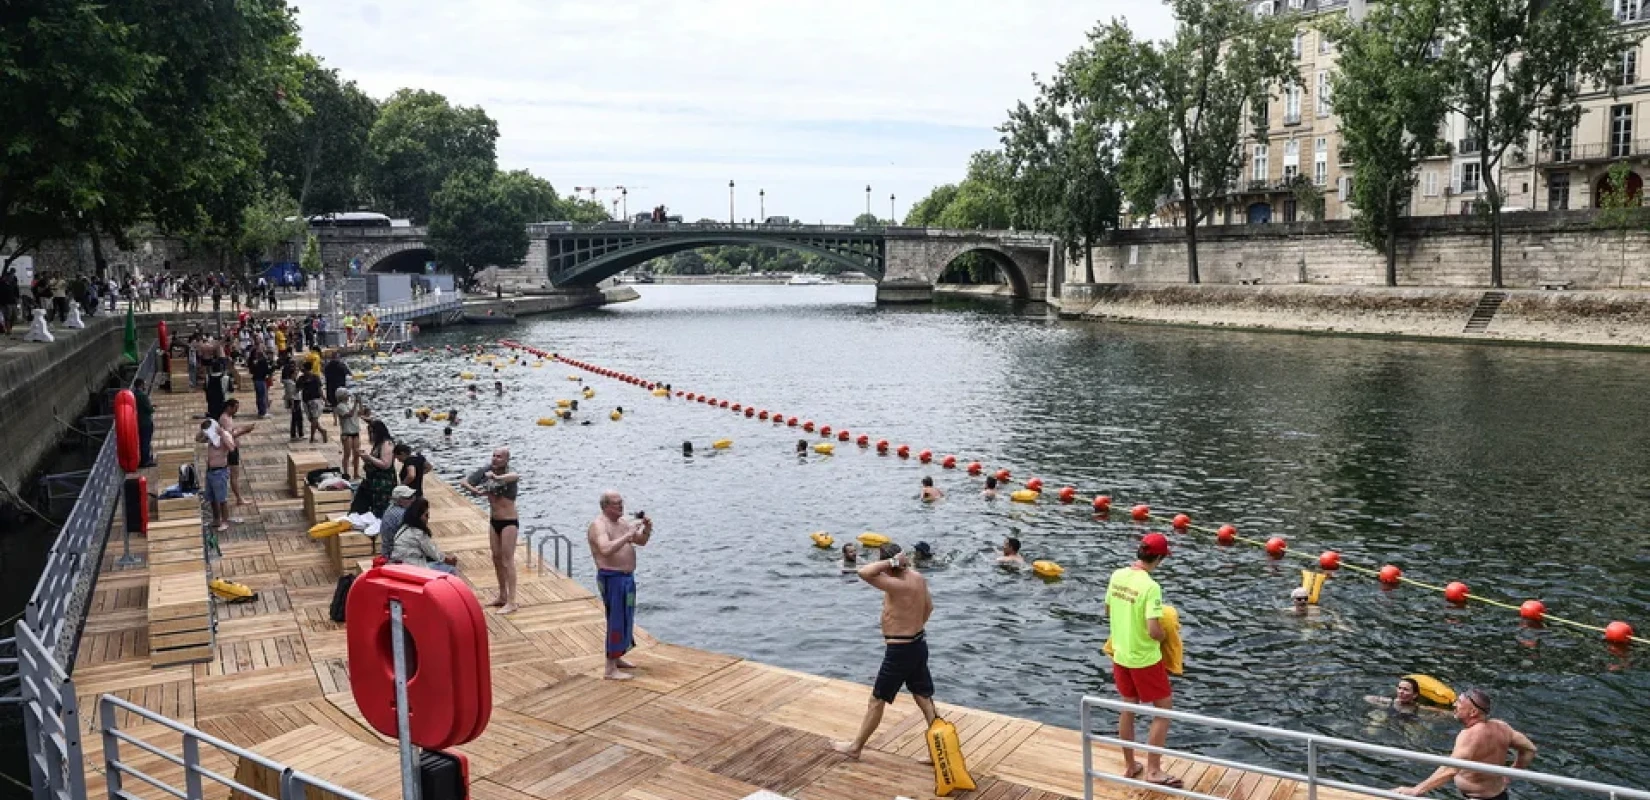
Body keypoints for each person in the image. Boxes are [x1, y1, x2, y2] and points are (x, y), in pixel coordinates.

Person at [833, 543, 938, 760]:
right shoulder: (918, 578)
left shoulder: (896, 584)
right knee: (924, 698)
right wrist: (914, 626)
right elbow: (929, 607)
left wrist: (892, 562)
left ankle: (855, 747)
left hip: (900, 650)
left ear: (889, 565)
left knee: (877, 700)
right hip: (918, 645)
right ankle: (939, 751)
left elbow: (863, 572)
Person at [1103, 532, 1181, 789]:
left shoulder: (1117, 575)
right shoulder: (1151, 586)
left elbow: (1108, 610)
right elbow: (1153, 630)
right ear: (1158, 558)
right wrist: (1165, 636)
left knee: (1129, 707)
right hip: (1145, 658)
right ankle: (1154, 771)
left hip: (1121, 654)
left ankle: (1131, 765)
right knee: (1163, 711)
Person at [1394, 688, 1536, 799]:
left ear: (1473, 712)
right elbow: (1530, 749)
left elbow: (1451, 770)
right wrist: (1509, 774)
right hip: (1499, 796)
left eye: (1459, 703)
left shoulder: (1469, 735)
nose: (1454, 705)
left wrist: (1416, 790)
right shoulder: (1502, 726)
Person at [586, 490, 653, 680]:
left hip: (627, 577)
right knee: (615, 619)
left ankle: (618, 655)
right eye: (616, 503)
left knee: (626, 618)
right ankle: (609, 668)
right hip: (611, 577)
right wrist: (628, 534)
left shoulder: (622, 523)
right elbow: (605, 549)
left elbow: (641, 541)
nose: (621, 506)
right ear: (606, 506)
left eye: (621, 502)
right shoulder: (598, 525)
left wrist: (646, 529)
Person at [461, 448, 521, 614]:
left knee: (508, 560)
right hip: (494, 521)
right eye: (494, 456)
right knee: (495, 557)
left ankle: (512, 601)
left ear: (506, 460)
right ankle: (502, 595)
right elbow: (464, 481)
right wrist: (472, 490)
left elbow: (515, 476)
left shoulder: (509, 474)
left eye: (499, 456)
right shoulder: (486, 470)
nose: (495, 459)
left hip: (509, 522)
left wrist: (496, 477)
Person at [388, 498, 459, 574]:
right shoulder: (418, 533)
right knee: (451, 569)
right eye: (426, 515)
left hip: (399, 563)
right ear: (418, 516)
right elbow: (433, 552)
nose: (428, 518)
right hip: (412, 567)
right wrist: (449, 560)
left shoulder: (404, 527)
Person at [196, 420, 236, 533]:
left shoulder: (224, 437)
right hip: (210, 471)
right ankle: (216, 519)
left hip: (220, 472)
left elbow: (232, 448)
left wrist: (222, 434)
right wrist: (203, 431)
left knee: (222, 499)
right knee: (212, 498)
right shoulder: (210, 437)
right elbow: (197, 439)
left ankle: (225, 521)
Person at [354, 419, 398, 517]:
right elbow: (374, 462)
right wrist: (365, 457)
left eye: (372, 432)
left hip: (383, 482)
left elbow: (386, 464)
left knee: (382, 507)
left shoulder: (387, 444)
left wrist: (369, 457)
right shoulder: (378, 444)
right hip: (373, 481)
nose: (371, 435)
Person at [217, 398, 255, 509]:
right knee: (234, 475)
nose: (236, 411)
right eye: (235, 408)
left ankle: (237, 497)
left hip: (232, 448)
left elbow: (232, 430)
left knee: (233, 474)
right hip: (230, 450)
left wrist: (243, 428)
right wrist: (245, 431)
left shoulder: (228, 417)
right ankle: (238, 498)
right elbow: (229, 435)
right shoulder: (224, 418)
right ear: (229, 407)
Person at [378, 485, 416, 558]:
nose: (413, 500)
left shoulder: (391, 508)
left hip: (388, 551)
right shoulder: (403, 515)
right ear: (400, 500)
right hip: (396, 556)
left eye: (413, 496)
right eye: (409, 497)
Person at [333, 387, 362, 479]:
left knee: (357, 454)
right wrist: (355, 404)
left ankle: (356, 473)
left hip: (355, 431)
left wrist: (360, 403)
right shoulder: (340, 407)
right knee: (347, 454)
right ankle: (346, 473)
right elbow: (349, 414)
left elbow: (360, 413)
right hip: (347, 433)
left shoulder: (350, 404)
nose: (348, 396)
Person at [299, 363, 327, 443]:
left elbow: (319, 389)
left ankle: (312, 437)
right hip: (306, 400)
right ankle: (322, 431)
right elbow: (298, 388)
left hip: (315, 400)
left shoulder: (315, 377)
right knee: (311, 419)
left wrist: (324, 399)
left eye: (304, 370)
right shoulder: (301, 378)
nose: (304, 372)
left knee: (314, 418)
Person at [133, 378, 156, 468]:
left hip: (138, 422)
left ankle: (143, 459)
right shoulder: (142, 395)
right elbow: (149, 410)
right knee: (146, 442)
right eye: (144, 384)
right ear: (141, 385)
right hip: (146, 422)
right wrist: (152, 408)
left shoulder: (134, 395)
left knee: (142, 441)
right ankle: (146, 461)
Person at [281, 362, 304, 441]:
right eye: (295, 372)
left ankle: (296, 434)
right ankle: (297, 434)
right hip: (295, 402)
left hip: (296, 400)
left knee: (297, 418)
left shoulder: (292, 382)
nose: (296, 374)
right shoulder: (290, 383)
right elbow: (291, 394)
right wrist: (293, 404)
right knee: (297, 418)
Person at [247, 347, 273, 418]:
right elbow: (267, 370)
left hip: (256, 379)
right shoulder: (262, 361)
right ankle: (263, 412)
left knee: (259, 397)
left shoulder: (253, 361)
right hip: (261, 380)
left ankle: (261, 411)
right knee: (262, 396)